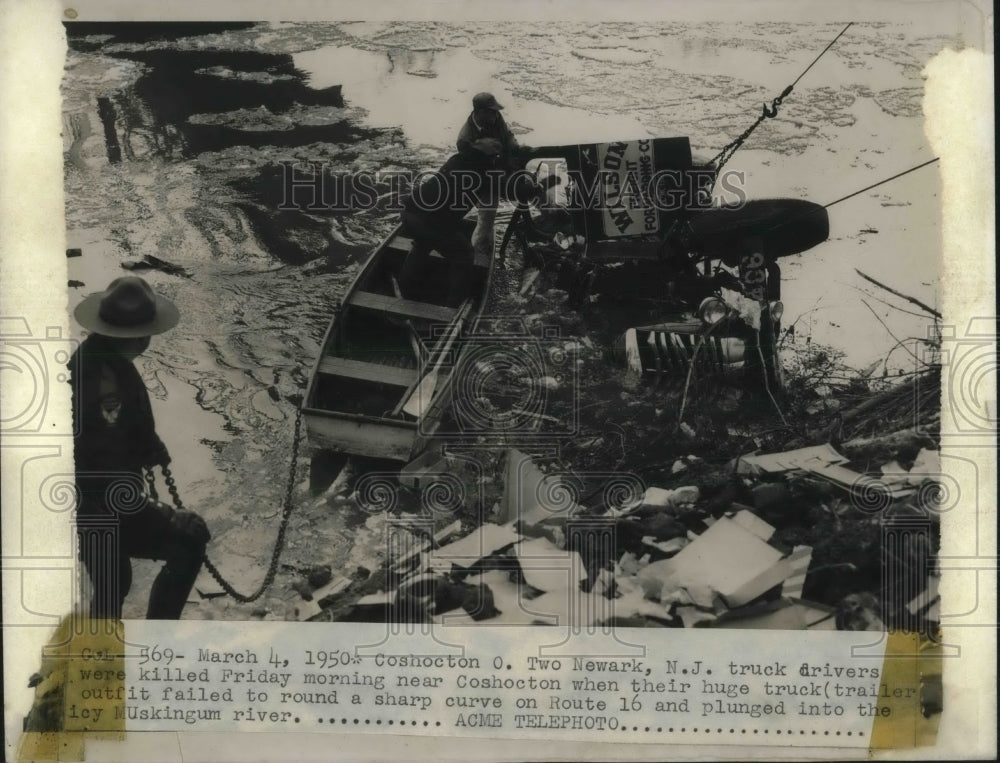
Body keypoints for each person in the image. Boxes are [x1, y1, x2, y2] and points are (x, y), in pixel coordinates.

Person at [71, 276, 210, 620]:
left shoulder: (103, 359)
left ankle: (134, 644)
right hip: (95, 509)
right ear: (138, 336)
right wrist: (167, 515)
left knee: (115, 580)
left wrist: (148, 443)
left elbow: (116, 435)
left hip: (104, 503)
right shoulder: (101, 383)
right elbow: (103, 475)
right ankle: (121, 652)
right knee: (176, 547)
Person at [399, 141, 550, 307]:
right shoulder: (484, 172)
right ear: (491, 158)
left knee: (422, 244)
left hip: (410, 212)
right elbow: (512, 191)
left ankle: (404, 288)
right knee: (464, 254)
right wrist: (538, 187)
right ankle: (454, 305)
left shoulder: (457, 159)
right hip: (430, 221)